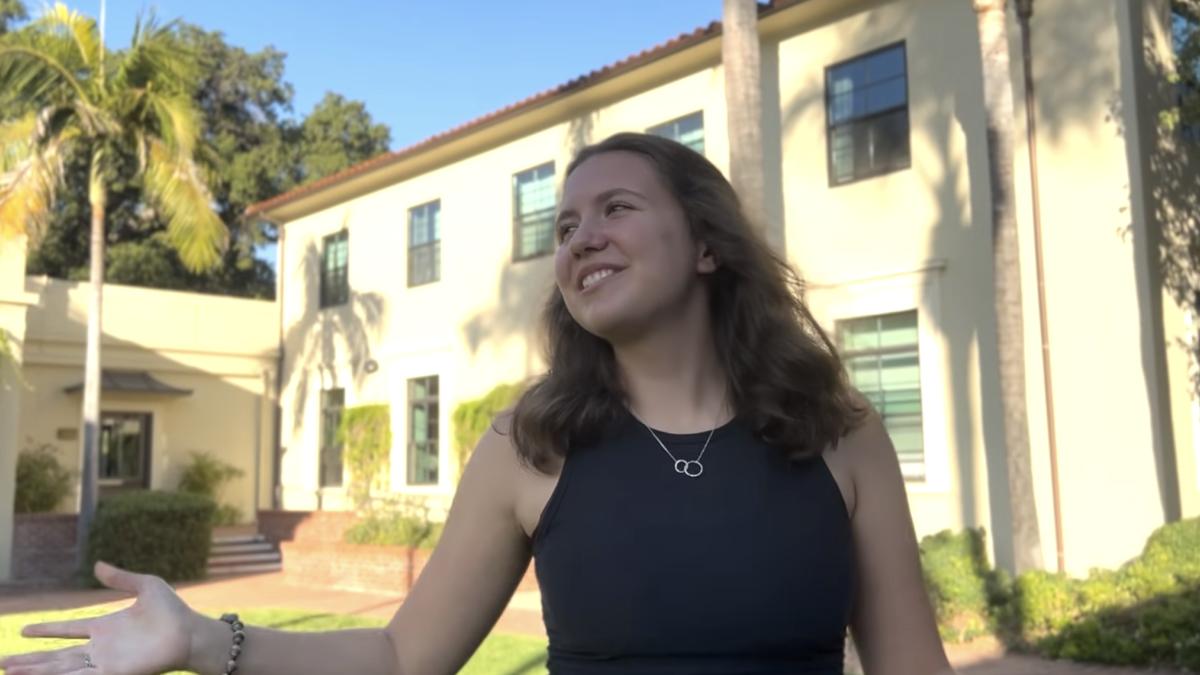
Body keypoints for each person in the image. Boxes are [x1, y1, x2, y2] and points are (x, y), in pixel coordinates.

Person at [0, 133, 952, 675]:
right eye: (566, 225)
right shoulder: (529, 446)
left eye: (616, 209)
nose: (580, 238)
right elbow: (401, 656)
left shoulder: (841, 436)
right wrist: (205, 636)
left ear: (708, 247)